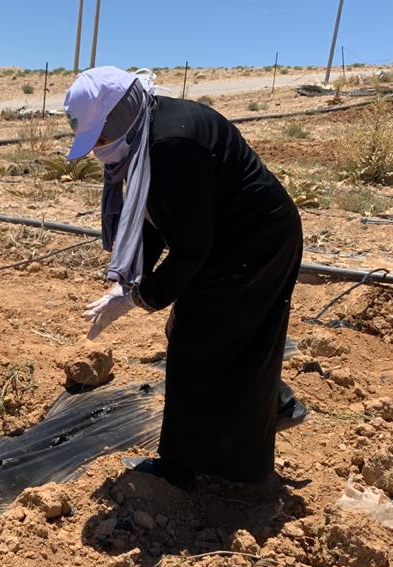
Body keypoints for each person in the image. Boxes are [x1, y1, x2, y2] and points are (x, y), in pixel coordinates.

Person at [66, 66, 304, 492]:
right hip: (231, 236)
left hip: (255, 240)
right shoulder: (147, 138)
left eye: (101, 139)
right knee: (221, 335)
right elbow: (161, 220)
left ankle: (203, 471)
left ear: (119, 119)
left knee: (197, 335)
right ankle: (276, 403)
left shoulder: (170, 145)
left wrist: (142, 297)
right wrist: (127, 282)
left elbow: (192, 246)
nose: (99, 151)